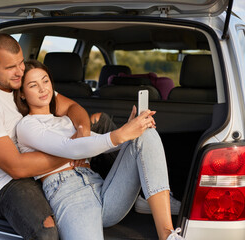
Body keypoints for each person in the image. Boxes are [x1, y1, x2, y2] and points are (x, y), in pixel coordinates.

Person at [14, 59, 185, 240]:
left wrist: (130, 130)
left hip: (101, 188)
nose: (43, 89)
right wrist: (120, 134)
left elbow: (96, 143)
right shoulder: (27, 126)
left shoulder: (64, 119)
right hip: (69, 193)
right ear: (23, 94)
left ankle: (167, 234)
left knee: (145, 134)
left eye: (45, 81)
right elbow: (70, 148)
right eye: (33, 85)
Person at [0, 33, 93, 240]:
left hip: (41, 159)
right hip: (6, 183)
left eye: (21, 63)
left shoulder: (22, 82)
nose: (19, 71)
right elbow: (16, 168)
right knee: (47, 230)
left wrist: (83, 130)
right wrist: (76, 150)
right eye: (10, 67)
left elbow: (72, 106)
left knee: (99, 122)